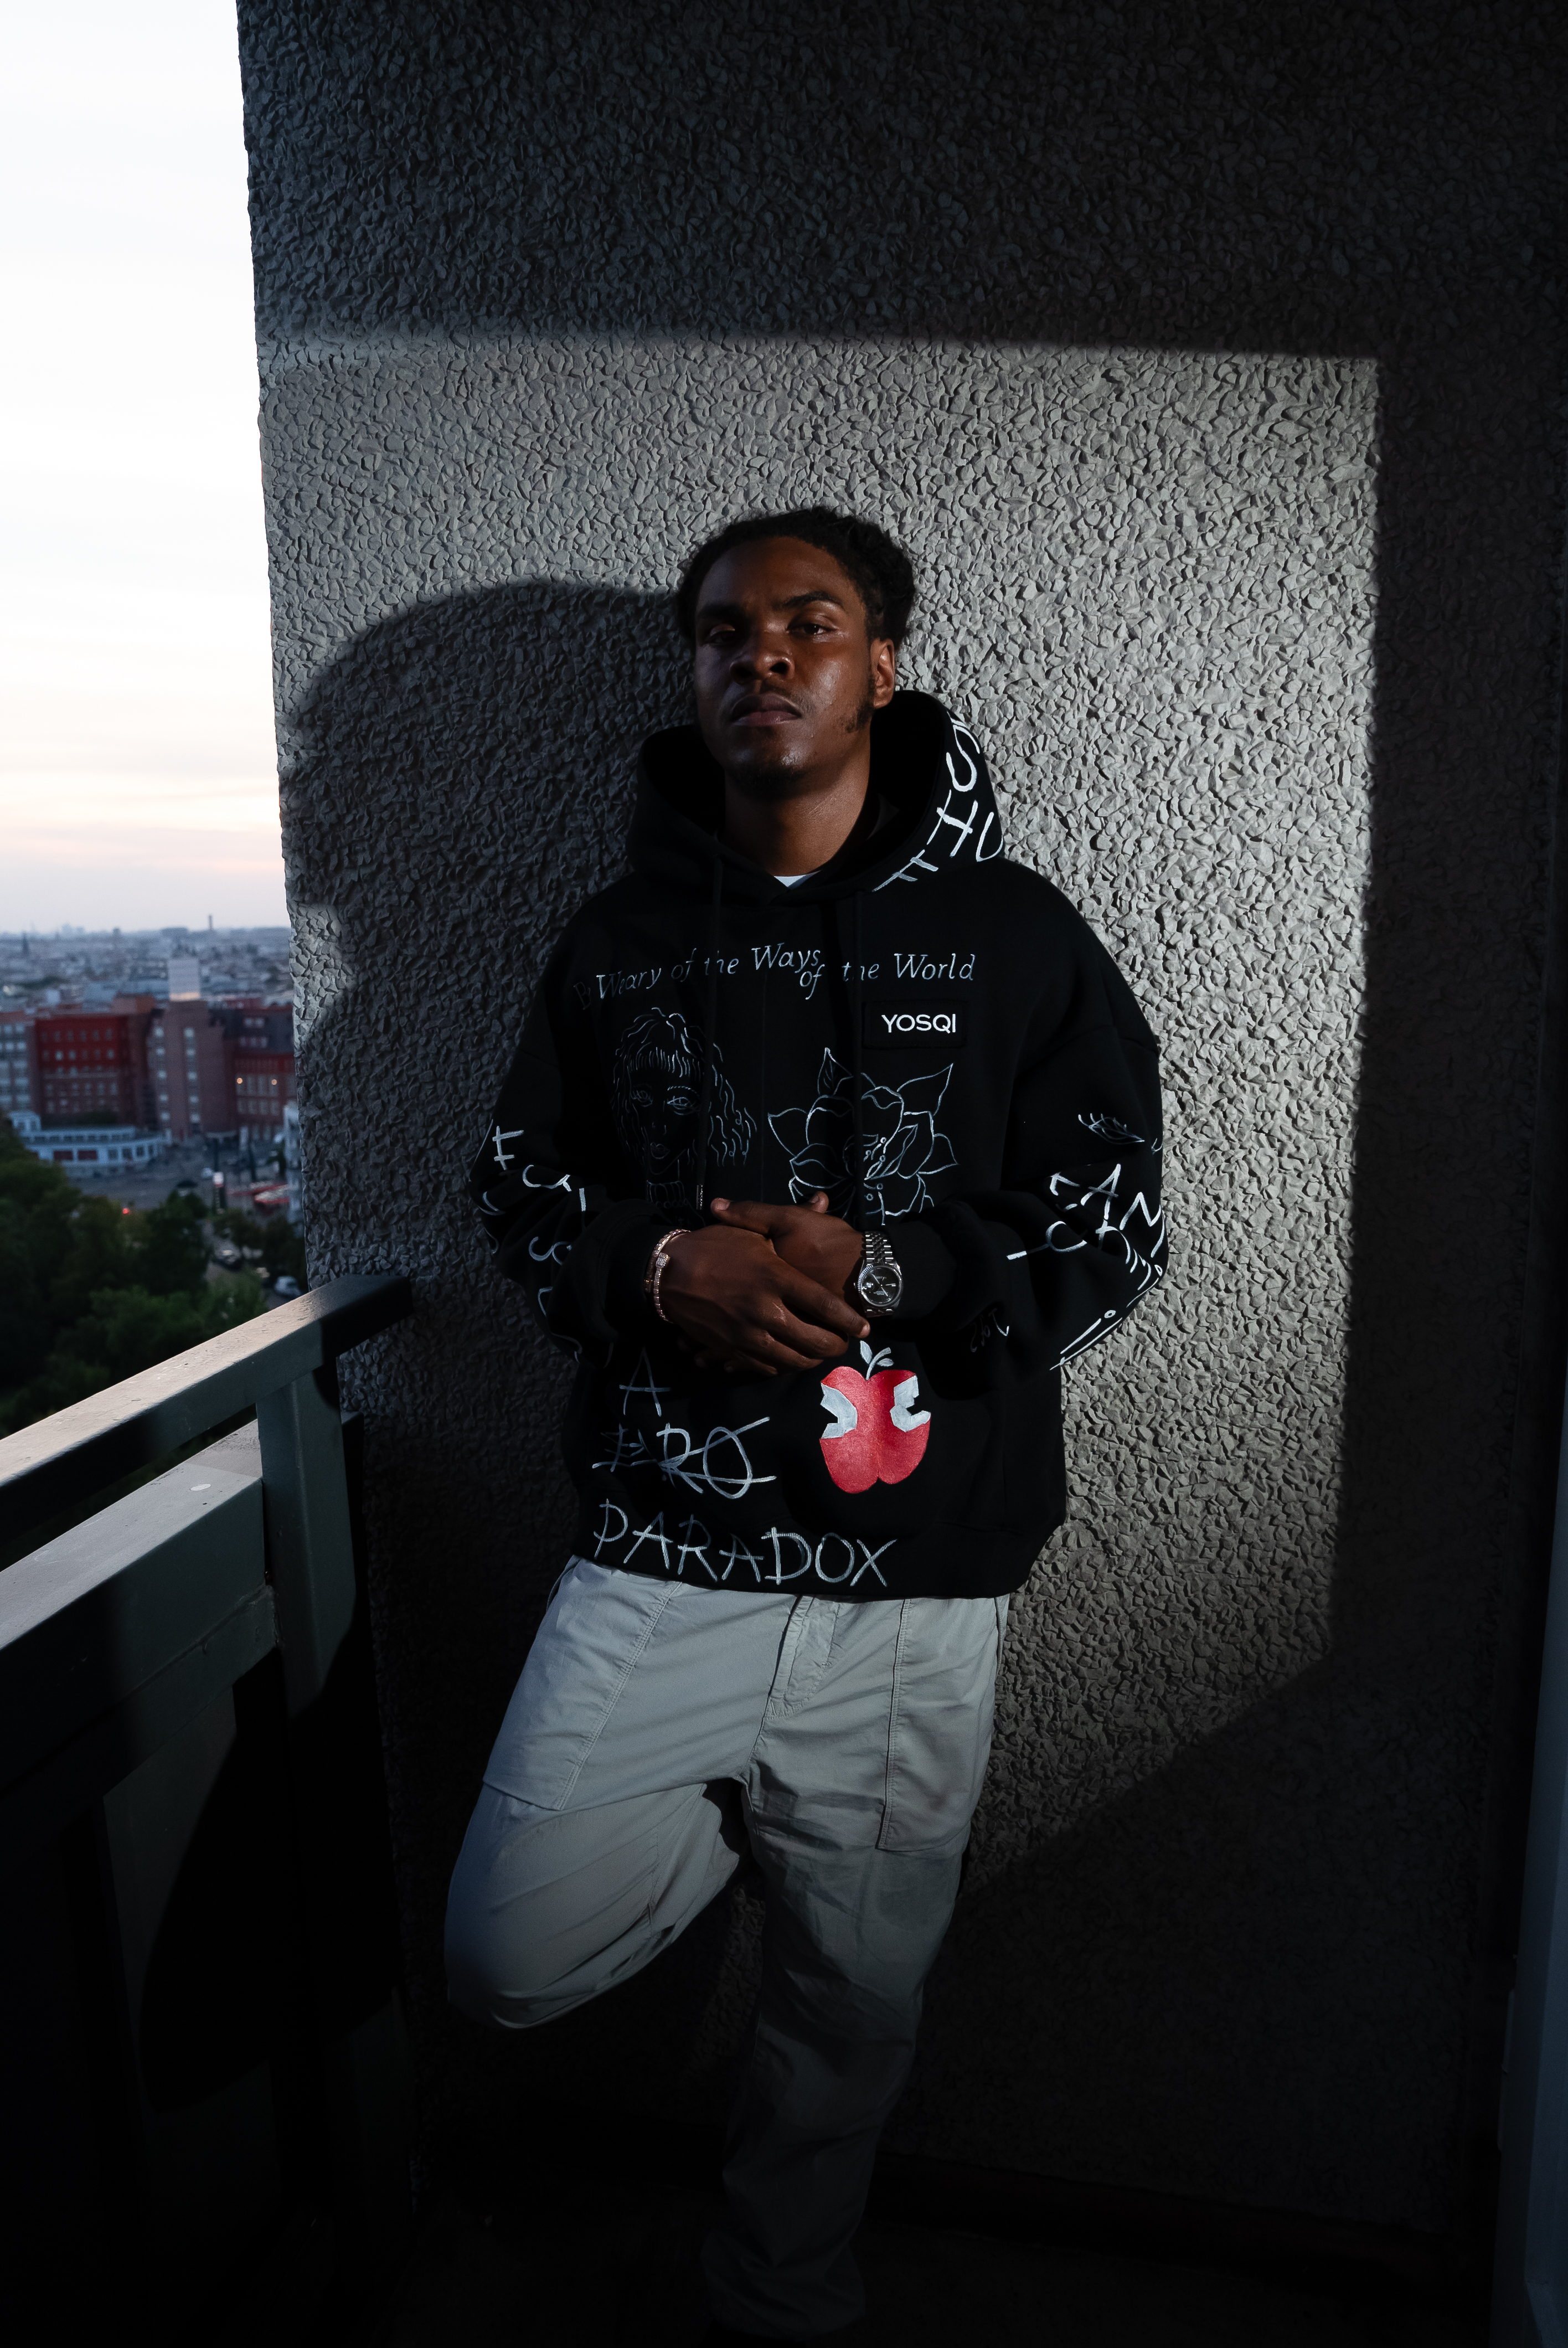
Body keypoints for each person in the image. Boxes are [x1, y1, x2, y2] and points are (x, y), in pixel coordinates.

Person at [447, 508, 1166, 2341]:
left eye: (809, 624)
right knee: (504, 1955)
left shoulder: (1015, 932)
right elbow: (525, 1190)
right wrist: (658, 1260)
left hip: (920, 1581)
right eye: (722, 631)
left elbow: (1118, 1221)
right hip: (661, 1548)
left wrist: (904, 1270)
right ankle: (742, 1821)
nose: (759, 656)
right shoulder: (614, 939)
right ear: (692, 672)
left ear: (883, 664)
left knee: (852, 2008)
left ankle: (785, 2296)